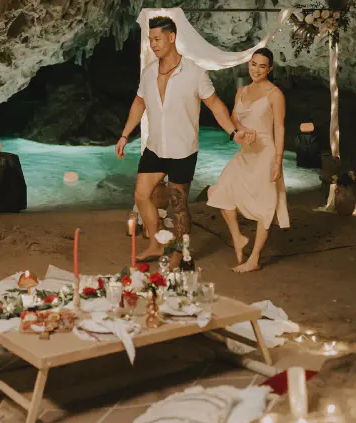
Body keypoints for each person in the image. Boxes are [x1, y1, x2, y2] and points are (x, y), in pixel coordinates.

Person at [115, 16, 255, 266]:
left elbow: (215, 105)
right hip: (156, 147)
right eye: (150, 40)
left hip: (182, 149)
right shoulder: (148, 72)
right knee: (141, 194)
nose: (153, 44)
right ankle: (157, 244)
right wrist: (125, 134)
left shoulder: (194, 72)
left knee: (178, 206)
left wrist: (233, 132)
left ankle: (180, 253)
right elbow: (139, 103)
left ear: (171, 37)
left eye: (157, 39)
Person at [207, 48, 289, 273]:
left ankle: (254, 258)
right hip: (246, 151)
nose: (256, 69)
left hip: (266, 153)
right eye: (253, 64)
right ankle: (237, 236)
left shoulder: (275, 94)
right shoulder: (241, 91)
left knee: (265, 204)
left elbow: (279, 127)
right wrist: (243, 129)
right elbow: (233, 119)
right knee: (219, 190)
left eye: (262, 66)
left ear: (270, 69)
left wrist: (278, 161)